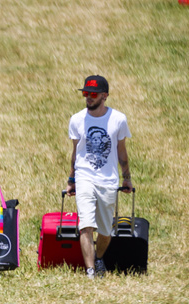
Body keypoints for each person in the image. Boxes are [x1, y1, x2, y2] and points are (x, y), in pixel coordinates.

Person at [64, 75, 132, 278]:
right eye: (86, 93)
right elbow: (76, 153)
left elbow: (121, 152)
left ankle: (99, 257)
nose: (88, 98)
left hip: (108, 180)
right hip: (85, 177)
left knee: (104, 230)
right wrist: (71, 180)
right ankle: (91, 270)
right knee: (85, 225)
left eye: (93, 94)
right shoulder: (77, 119)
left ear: (105, 96)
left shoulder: (118, 119)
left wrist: (126, 177)